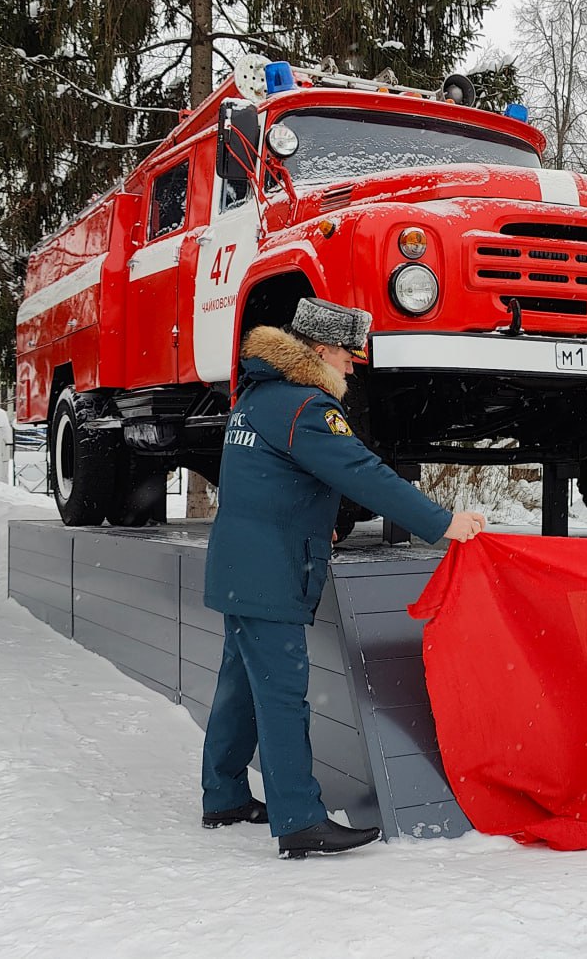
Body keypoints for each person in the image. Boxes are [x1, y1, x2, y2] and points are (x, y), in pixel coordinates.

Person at [200, 298, 487, 859]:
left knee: (240, 686)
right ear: (322, 350)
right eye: (349, 357)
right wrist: (442, 523)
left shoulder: (256, 396)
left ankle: (224, 794)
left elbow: (262, 479)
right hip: (270, 572)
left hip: (240, 565)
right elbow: (364, 474)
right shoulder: (307, 406)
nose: (353, 368)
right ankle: (300, 820)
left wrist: (311, 520)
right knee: (282, 697)